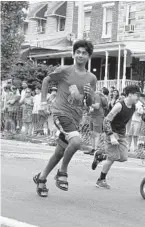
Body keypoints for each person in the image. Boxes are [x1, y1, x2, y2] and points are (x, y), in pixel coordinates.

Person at [33, 40, 96, 197]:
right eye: (78, 52)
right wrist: (42, 102)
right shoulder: (64, 70)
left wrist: (89, 95)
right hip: (60, 113)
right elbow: (47, 80)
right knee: (76, 142)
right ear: (73, 54)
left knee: (60, 152)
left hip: (75, 118)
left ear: (88, 56)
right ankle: (62, 172)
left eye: (84, 53)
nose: (80, 55)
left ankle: (41, 179)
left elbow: (89, 103)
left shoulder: (92, 78)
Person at [92, 85, 140, 188]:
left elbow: (128, 119)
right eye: (137, 95)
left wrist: (126, 132)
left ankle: (101, 155)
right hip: (112, 132)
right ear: (130, 95)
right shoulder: (119, 106)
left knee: (123, 157)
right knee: (112, 158)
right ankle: (101, 180)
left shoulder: (133, 107)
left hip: (121, 133)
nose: (138, 98)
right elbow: (106, 121)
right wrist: (111, 136)